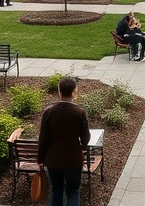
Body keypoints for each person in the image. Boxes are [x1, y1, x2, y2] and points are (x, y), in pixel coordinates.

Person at [37, 77, 90, 206]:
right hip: (73, 159)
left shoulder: (48, 112)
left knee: (56, 190)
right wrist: (83, 147)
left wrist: (40, 159)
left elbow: (43, 138)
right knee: (73, 192)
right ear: (74, 92)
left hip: (53, 159)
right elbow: (85, 137)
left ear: (59, 92)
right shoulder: (80, 112)